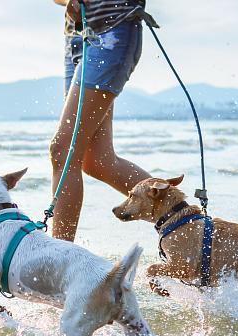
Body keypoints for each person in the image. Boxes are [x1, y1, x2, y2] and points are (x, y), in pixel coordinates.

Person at [50, 0, 151, 241]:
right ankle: (190, 224)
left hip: (113, 30)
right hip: (77, 38)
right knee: (97, 161)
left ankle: (58, 260)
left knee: (63, 150)